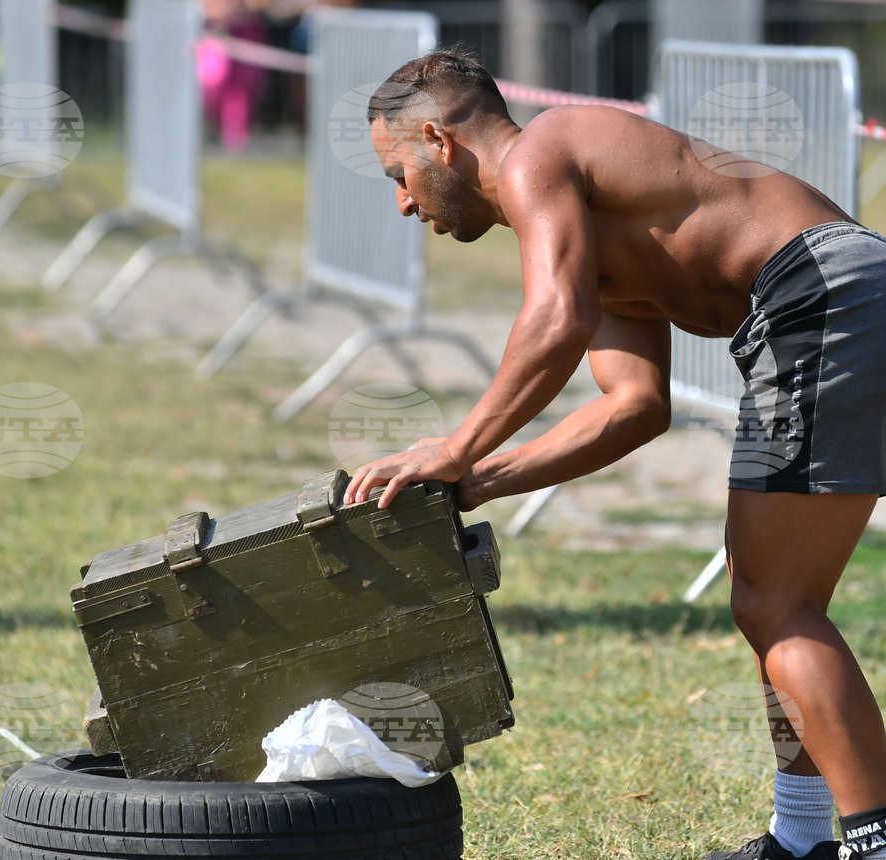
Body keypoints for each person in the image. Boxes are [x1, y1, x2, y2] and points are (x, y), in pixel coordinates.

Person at [340, 47, 886, 860]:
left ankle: (871, 841)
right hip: (836, 299)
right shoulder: (586, 228)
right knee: (771, 598)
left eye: (398, 175)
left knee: (776, 605)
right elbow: (634, 408)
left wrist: (454, 446)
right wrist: (480, 482)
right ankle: (802, 839)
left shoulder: (541, 152)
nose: (401, 203)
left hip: (824, 293)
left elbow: (555, 322)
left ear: (438, 140)